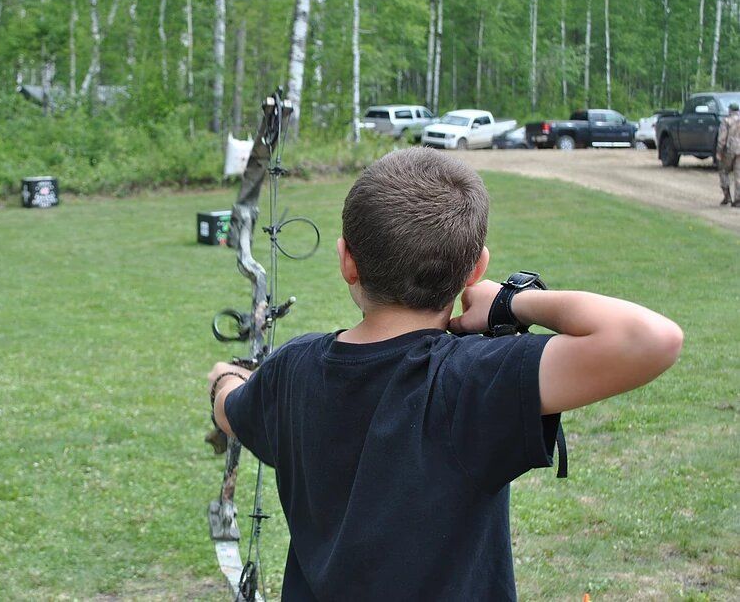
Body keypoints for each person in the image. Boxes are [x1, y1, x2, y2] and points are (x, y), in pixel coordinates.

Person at [206, 148, 683, 601]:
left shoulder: (295, 368)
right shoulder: (468, 377)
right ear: (476, 269)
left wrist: (223, 378)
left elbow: (232, 408)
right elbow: (650, 338)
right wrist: (510, 301)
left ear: (347, 260)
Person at [717, 102, 740, 207]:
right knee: (738, 174)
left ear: (730, 110)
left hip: (729, 149)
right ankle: (738, 200)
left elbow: (722, 138)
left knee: (723, 170)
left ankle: (727, 197)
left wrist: (719, 151)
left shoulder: (726, 121)